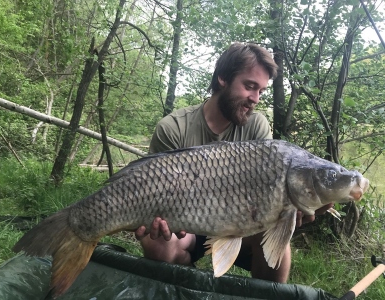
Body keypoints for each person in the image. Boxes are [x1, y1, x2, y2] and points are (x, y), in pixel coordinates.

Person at [135, 42, 332, 283]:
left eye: (261, 91)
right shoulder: (174, 128)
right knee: (156, 243)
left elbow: (268, 192)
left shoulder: (257, 126)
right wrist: (154, 221)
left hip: (242, 224)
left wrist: (289, 210)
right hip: (187, 224)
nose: (255, 99)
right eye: (250, 86)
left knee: (278, 242)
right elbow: (150, 192)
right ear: (222, 79)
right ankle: (185, 286)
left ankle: (264, 294)